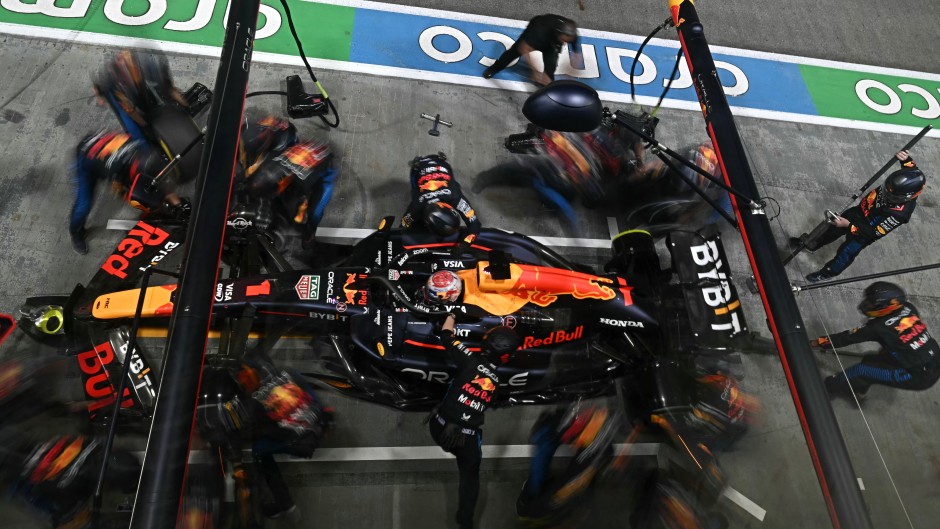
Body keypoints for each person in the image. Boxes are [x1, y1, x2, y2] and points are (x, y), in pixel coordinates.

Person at [429, 315, 520, 529]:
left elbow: (445, 334)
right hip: (465, 441)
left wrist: (452, 314)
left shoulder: (468, 359)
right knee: (470, 478)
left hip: (437, 426)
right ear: (507, 357)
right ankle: (465, 522)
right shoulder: (497, 384)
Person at [799, 151, 924, 282]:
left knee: (846, 253)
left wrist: (848, 226)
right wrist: (905, 159)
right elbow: (910, 167)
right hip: (858, 211)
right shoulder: (913, 175)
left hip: (864, 232)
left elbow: (873, 234)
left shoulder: (900, 215)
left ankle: (827, 273)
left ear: (908, 196)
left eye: (892, 196)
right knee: (830, 229)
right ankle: (811, 244)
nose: (886, 194)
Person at [810, 281, 940, 401]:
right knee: (870, 360)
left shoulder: (877, 327)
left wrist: (816, 342)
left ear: (888, 306)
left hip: (917, 376)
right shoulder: (909, 307)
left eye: (872, 303)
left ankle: (827, 388)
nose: (867, 304)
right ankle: (860, 391)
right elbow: (908, 331)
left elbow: (843, 338)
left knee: (862, 370)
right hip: (933, 358)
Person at [68, 130, 188, 254]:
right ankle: (76, 232)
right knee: (83, 205)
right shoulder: (117, 172)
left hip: (103, 147)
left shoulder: (143, 148)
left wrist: (178, 204)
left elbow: (162, 184)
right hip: (86, 158)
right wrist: (147, 205)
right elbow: (122, 194)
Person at [237, 116, 339, 249]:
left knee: (313, 213)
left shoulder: (301, 183)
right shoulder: (273, 160)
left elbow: (300, 211)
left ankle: (309, 234)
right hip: (304, 153)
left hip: (324, 173)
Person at [93, 48, 189, 142]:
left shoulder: (155, 62)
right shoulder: (110, 80)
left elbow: (170, 89)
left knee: (167, 94)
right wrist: (146, 128)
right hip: (115, 87)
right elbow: (131, 111)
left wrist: (186, 106)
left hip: (145, 73)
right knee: (134, 125)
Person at [401, 153, 480, 255]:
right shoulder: (417, 205)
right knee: (415, 190)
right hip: (420, 169)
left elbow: (475, 225)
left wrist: (464, 245)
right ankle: (418, 162)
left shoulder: (456, 198)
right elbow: (403, 225)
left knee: (452, 182)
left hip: (442, 166)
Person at [482, 14, 582, 85]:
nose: (564, 43)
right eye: (563, 40)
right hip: (535, 32)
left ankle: (547, 85)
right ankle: (493, 69)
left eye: (567, 41)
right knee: (512, 54)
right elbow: (524, 48)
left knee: (551, 65)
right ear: (559, 33)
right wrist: (534, 71)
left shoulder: (571, 35)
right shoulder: (539, 33)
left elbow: (575, 50)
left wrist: (576, 59)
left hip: (551, 43)